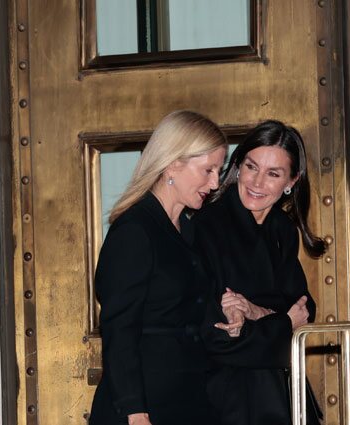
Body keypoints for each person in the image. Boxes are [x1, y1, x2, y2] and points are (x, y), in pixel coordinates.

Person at [89, 110, 228, 425]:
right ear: (172, 163)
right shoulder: (135, 230)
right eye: (208, 169)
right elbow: (119, 329)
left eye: (218, 170)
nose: (215, 182)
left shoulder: (189, 231)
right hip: (143, 406)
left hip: (189, 398)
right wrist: (134, 412)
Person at [196, 120, 326, 425]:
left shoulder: (282, 229)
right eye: (252, 167)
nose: (257, 182)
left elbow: (304, 312)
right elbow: (219, 335)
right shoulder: (207, 224)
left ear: (291, 181)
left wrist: (255, 312)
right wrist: (282, 323)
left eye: (273, 174)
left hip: (284, 391)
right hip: (230, 398)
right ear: (238, 166)